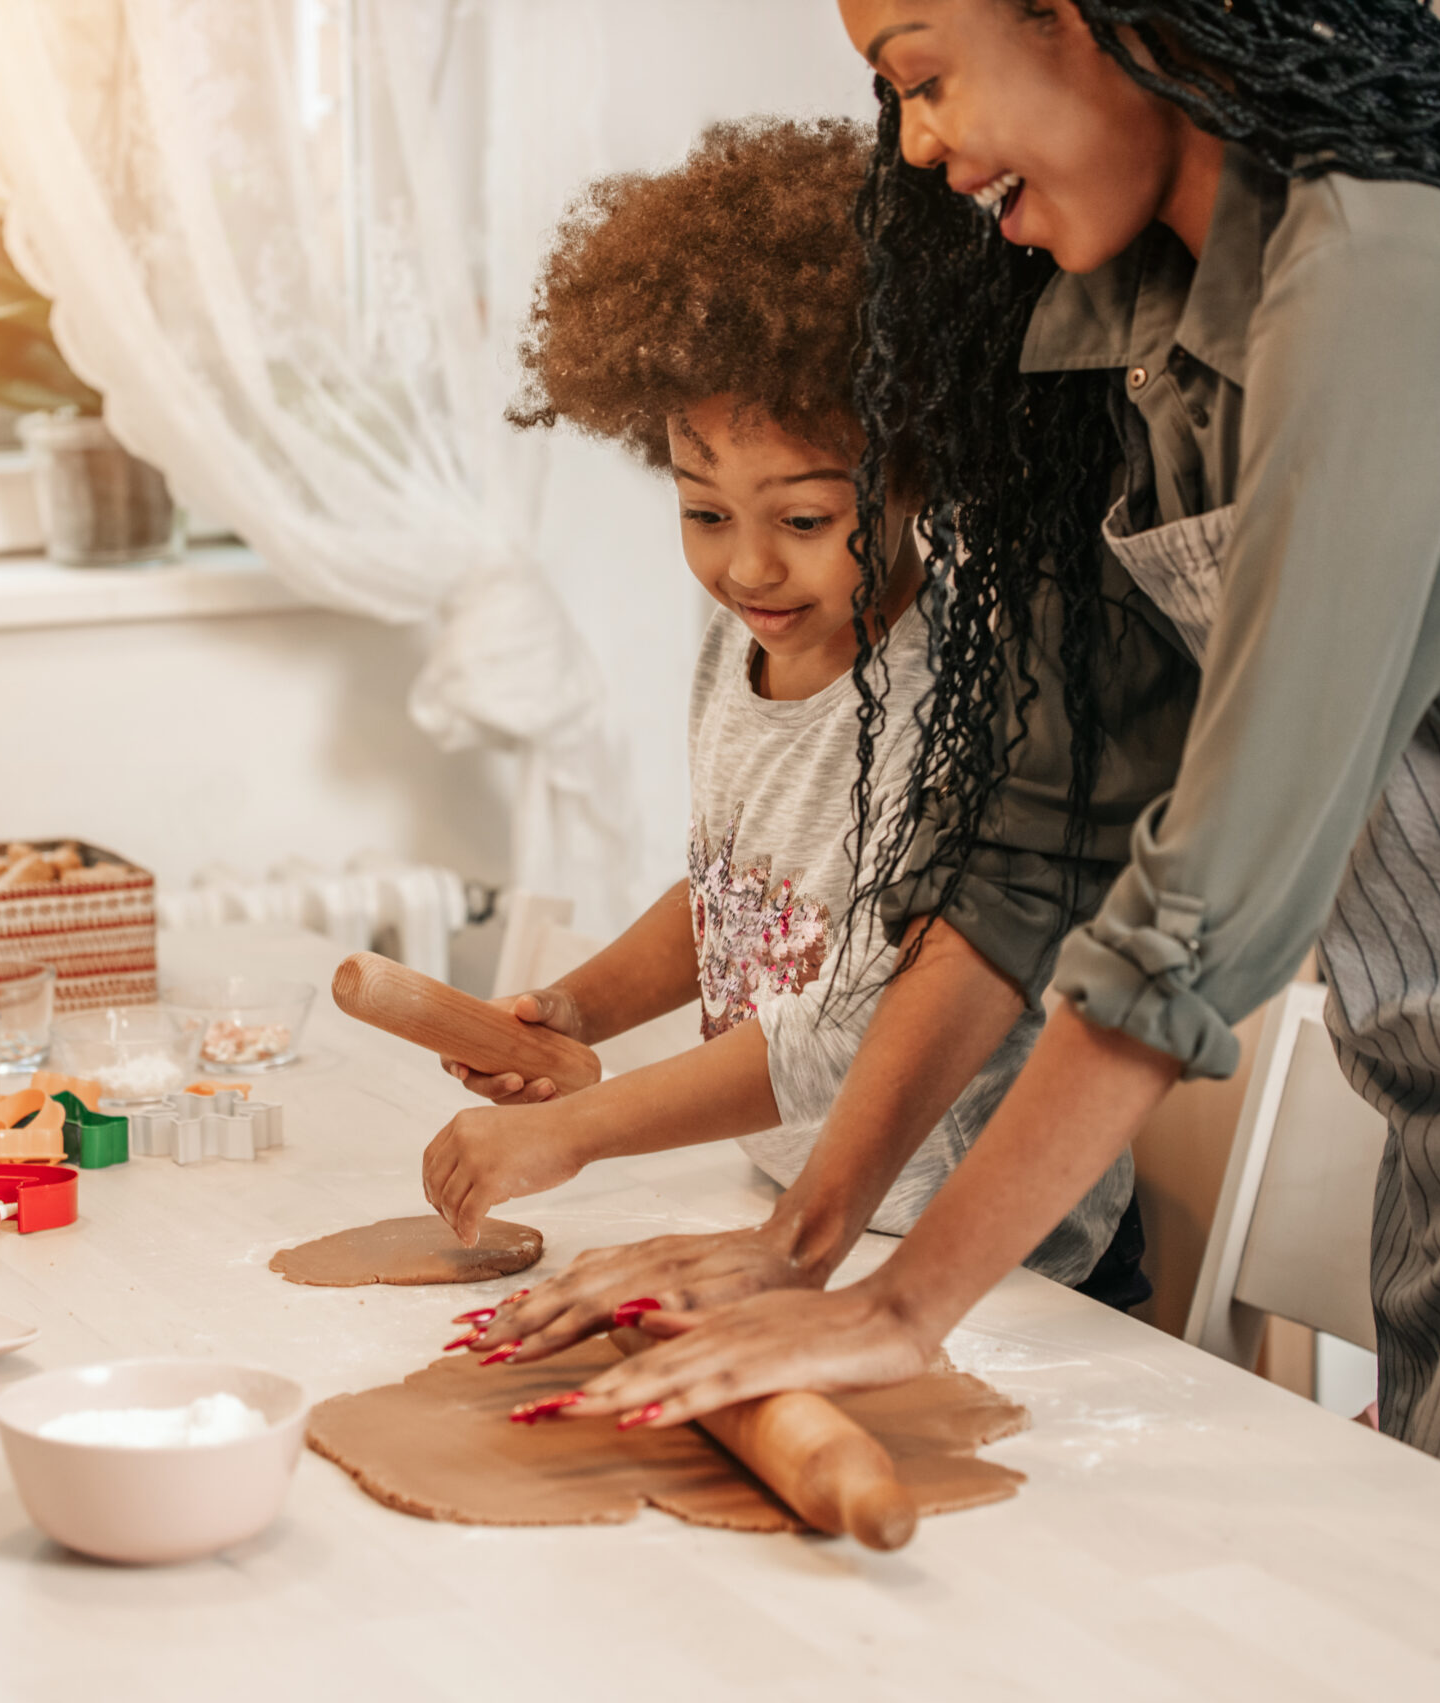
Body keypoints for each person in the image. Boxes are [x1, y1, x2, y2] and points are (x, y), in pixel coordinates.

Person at [542, 0, 1440, 1621]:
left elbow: (1211, 891)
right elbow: (1038, 844)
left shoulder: (1391, 262)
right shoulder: (1132, 314)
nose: (917, 143)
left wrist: (908, 1303)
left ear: (1089, 17)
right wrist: (807, 1236)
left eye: (924, 75)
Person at [432, 116, 1160, 1362]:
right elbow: (736, 894)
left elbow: (850, 1034)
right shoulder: (749, 635)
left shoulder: (955, 684)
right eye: (703, 509)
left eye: (807, 518)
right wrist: (578, 1009)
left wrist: (579, 1129)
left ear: (921, 473)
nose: (746, 563)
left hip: (982, 1258)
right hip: (798, 1211)